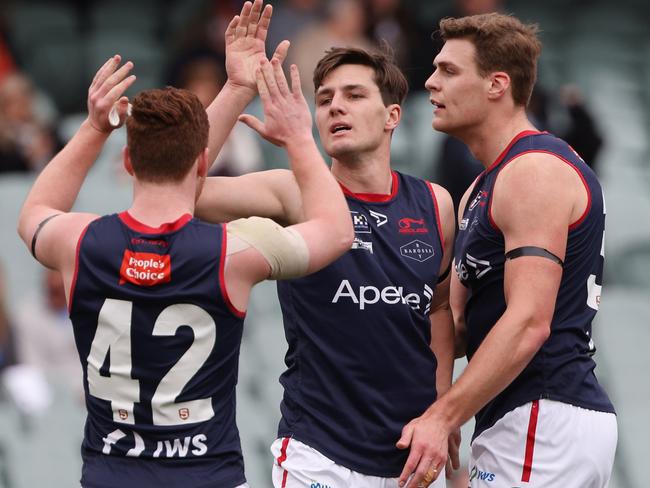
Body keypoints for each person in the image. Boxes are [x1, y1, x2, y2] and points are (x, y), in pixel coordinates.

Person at [16, 2, 353, 486]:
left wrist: (94, 127)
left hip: (111, 475)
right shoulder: (232, 252)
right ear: (203, 164)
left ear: (127, 163)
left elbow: (32, 214)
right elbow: (337, 230)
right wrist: (298, 137)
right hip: (209, 475)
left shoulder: (81, 241)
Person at [196, 45, 457, 487]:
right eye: (324, 99)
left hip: (408, 457)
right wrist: (239, 89)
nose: (335, 105)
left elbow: (439, 310)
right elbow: (182, 191)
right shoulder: (292, 192)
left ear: (392, 116)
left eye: (354, 95)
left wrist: (441, 411)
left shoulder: (436, 203)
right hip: (319, 454)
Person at [395, 12, 617, 488]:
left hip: (545, 408)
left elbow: (529, 323)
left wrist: (443, 417)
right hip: (522, 416)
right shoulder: (482, 184)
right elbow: (457, 326)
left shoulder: (533, 169)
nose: (430, 83)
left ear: (497, 84)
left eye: (449, 71)